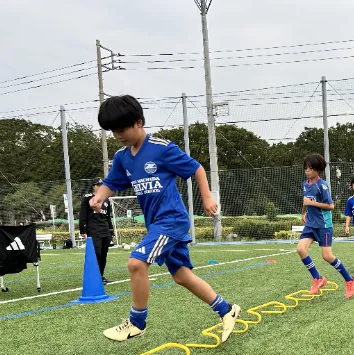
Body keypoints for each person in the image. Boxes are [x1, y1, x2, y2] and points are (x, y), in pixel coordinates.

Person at [90, 95, 241, 342]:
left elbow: (197, 169)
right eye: (112, 131)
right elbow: (111, 183)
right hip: (157, 224)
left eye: (121, 129)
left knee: (136, 263)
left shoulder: (161, 148)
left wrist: (207, 198)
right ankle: (226, 310)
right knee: (181, 276)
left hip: (171, 220)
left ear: (138, 122)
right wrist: (99, 197)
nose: (117, 135)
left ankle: (136, 323)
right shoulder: (122, 157)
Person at [297, 153, 354, 298]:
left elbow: (331, 206)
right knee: (300, 249)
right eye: (306, 168)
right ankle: (318, 278)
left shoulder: (322, 186)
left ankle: (350, 280)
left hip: (324, 225)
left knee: (327, 256)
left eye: (310, 168)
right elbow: (306, 200)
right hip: (311, 224)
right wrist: (303, 213)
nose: (307, 170)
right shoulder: (305, 183)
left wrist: (312, 204)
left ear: (318, 170)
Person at [80, 177, 114, 284]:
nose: (100, 187)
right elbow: (83, 215)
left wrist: (111, 230)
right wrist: (83, 230)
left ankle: (100, 275)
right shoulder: (87, 198)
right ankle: (93, 276)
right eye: (98, 185)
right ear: (94, 186)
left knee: (104, 254)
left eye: (102, 185)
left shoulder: (106, 200)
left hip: (104, 230)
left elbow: (108, 217)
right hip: (93, 230)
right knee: (96, 253)